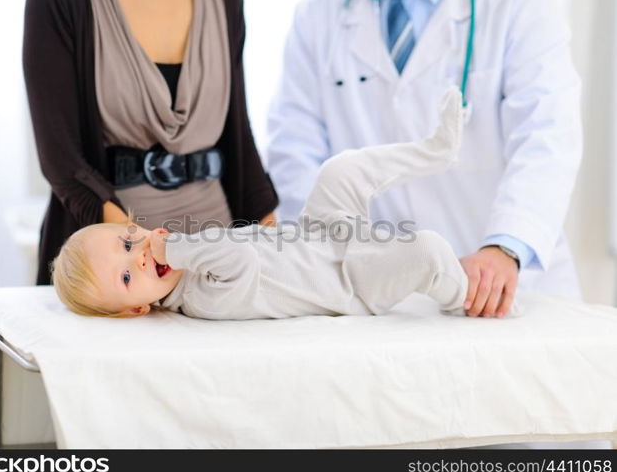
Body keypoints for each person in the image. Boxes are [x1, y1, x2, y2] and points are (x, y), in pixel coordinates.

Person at [50, 89, 517, 320]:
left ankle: (435, 150)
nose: (142, 254)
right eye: (128, 274)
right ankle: (465, 296)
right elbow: (240, 257)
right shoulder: (201, 300)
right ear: (136, 310)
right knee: (426, 249)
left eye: (130, 240)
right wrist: (174, 250)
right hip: (348, 282)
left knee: (340, 170)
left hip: (316, 236)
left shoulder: (187, 258)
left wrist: (177, 249)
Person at [266, 0, 583, 320]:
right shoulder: (319, 13)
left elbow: (546, 134)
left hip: (510, 287)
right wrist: (328, 255)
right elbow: (294, 150)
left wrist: (506, 245)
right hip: (382, 296)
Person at [23, 0, 278, 286]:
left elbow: (237, 137)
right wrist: (141, 254)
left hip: (216, 249)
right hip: (119, 271)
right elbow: (61, 158)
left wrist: (273, 249)